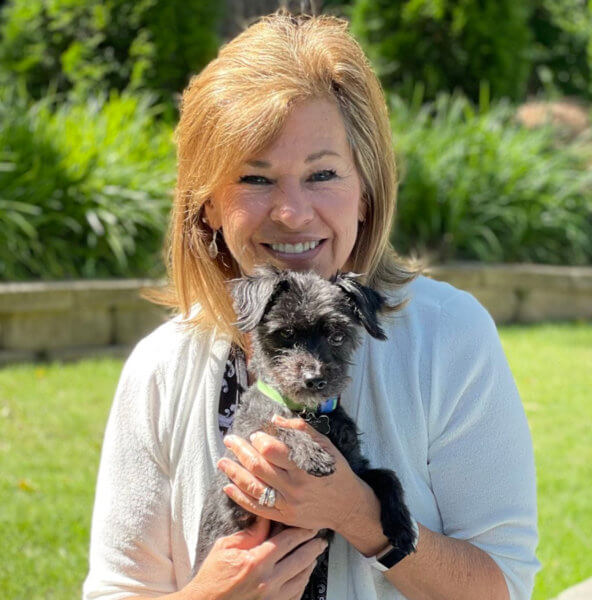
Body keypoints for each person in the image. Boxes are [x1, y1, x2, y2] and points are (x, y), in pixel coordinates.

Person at [83, 11, 540, 600]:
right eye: (254, 178)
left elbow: (503, 586)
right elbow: (119, 589)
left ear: (366, 194)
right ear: (208, 206)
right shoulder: (162, 368)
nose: (292, 212)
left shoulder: (448, 336)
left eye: (321, 173)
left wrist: (362, 516)